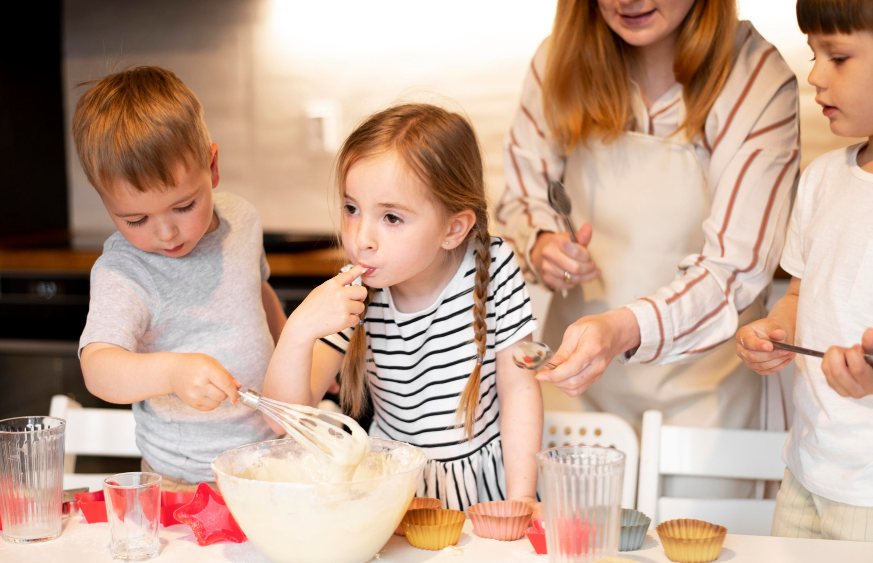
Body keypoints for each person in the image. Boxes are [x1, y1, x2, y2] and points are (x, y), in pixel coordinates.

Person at [496, 0, 801, 497]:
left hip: (708, 399)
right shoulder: (557, 62)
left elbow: (735, 270)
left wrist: (622, 330)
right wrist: (541, 242)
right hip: (573, 389)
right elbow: (522, 200)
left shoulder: (754, 77)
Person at [263, 104, 543, 515]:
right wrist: (299, 329)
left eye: (391, 217)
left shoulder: (495, 266)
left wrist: (520, 498)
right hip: (392, 495)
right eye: (352, 209)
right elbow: (284, 422)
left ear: (453, 229)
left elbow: (518, 388)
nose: (362, 238)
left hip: (489, 494)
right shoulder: (355, 290)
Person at [73, 67, 286, 492]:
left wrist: (295, 362)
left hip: (267, 457)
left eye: (184, 206)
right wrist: (172, 372)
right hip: (181, 477)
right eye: (135, 219)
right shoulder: (125, 271)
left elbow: (258, 293)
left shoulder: (242, 221)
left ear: (212, 167)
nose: (165, 232)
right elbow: (98, 368)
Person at [735, 0, 873, 543]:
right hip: (803, 473)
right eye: (814, 54)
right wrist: (776, 328)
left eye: (839, 57)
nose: (814, 75)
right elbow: (801, 293)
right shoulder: (822, 179)